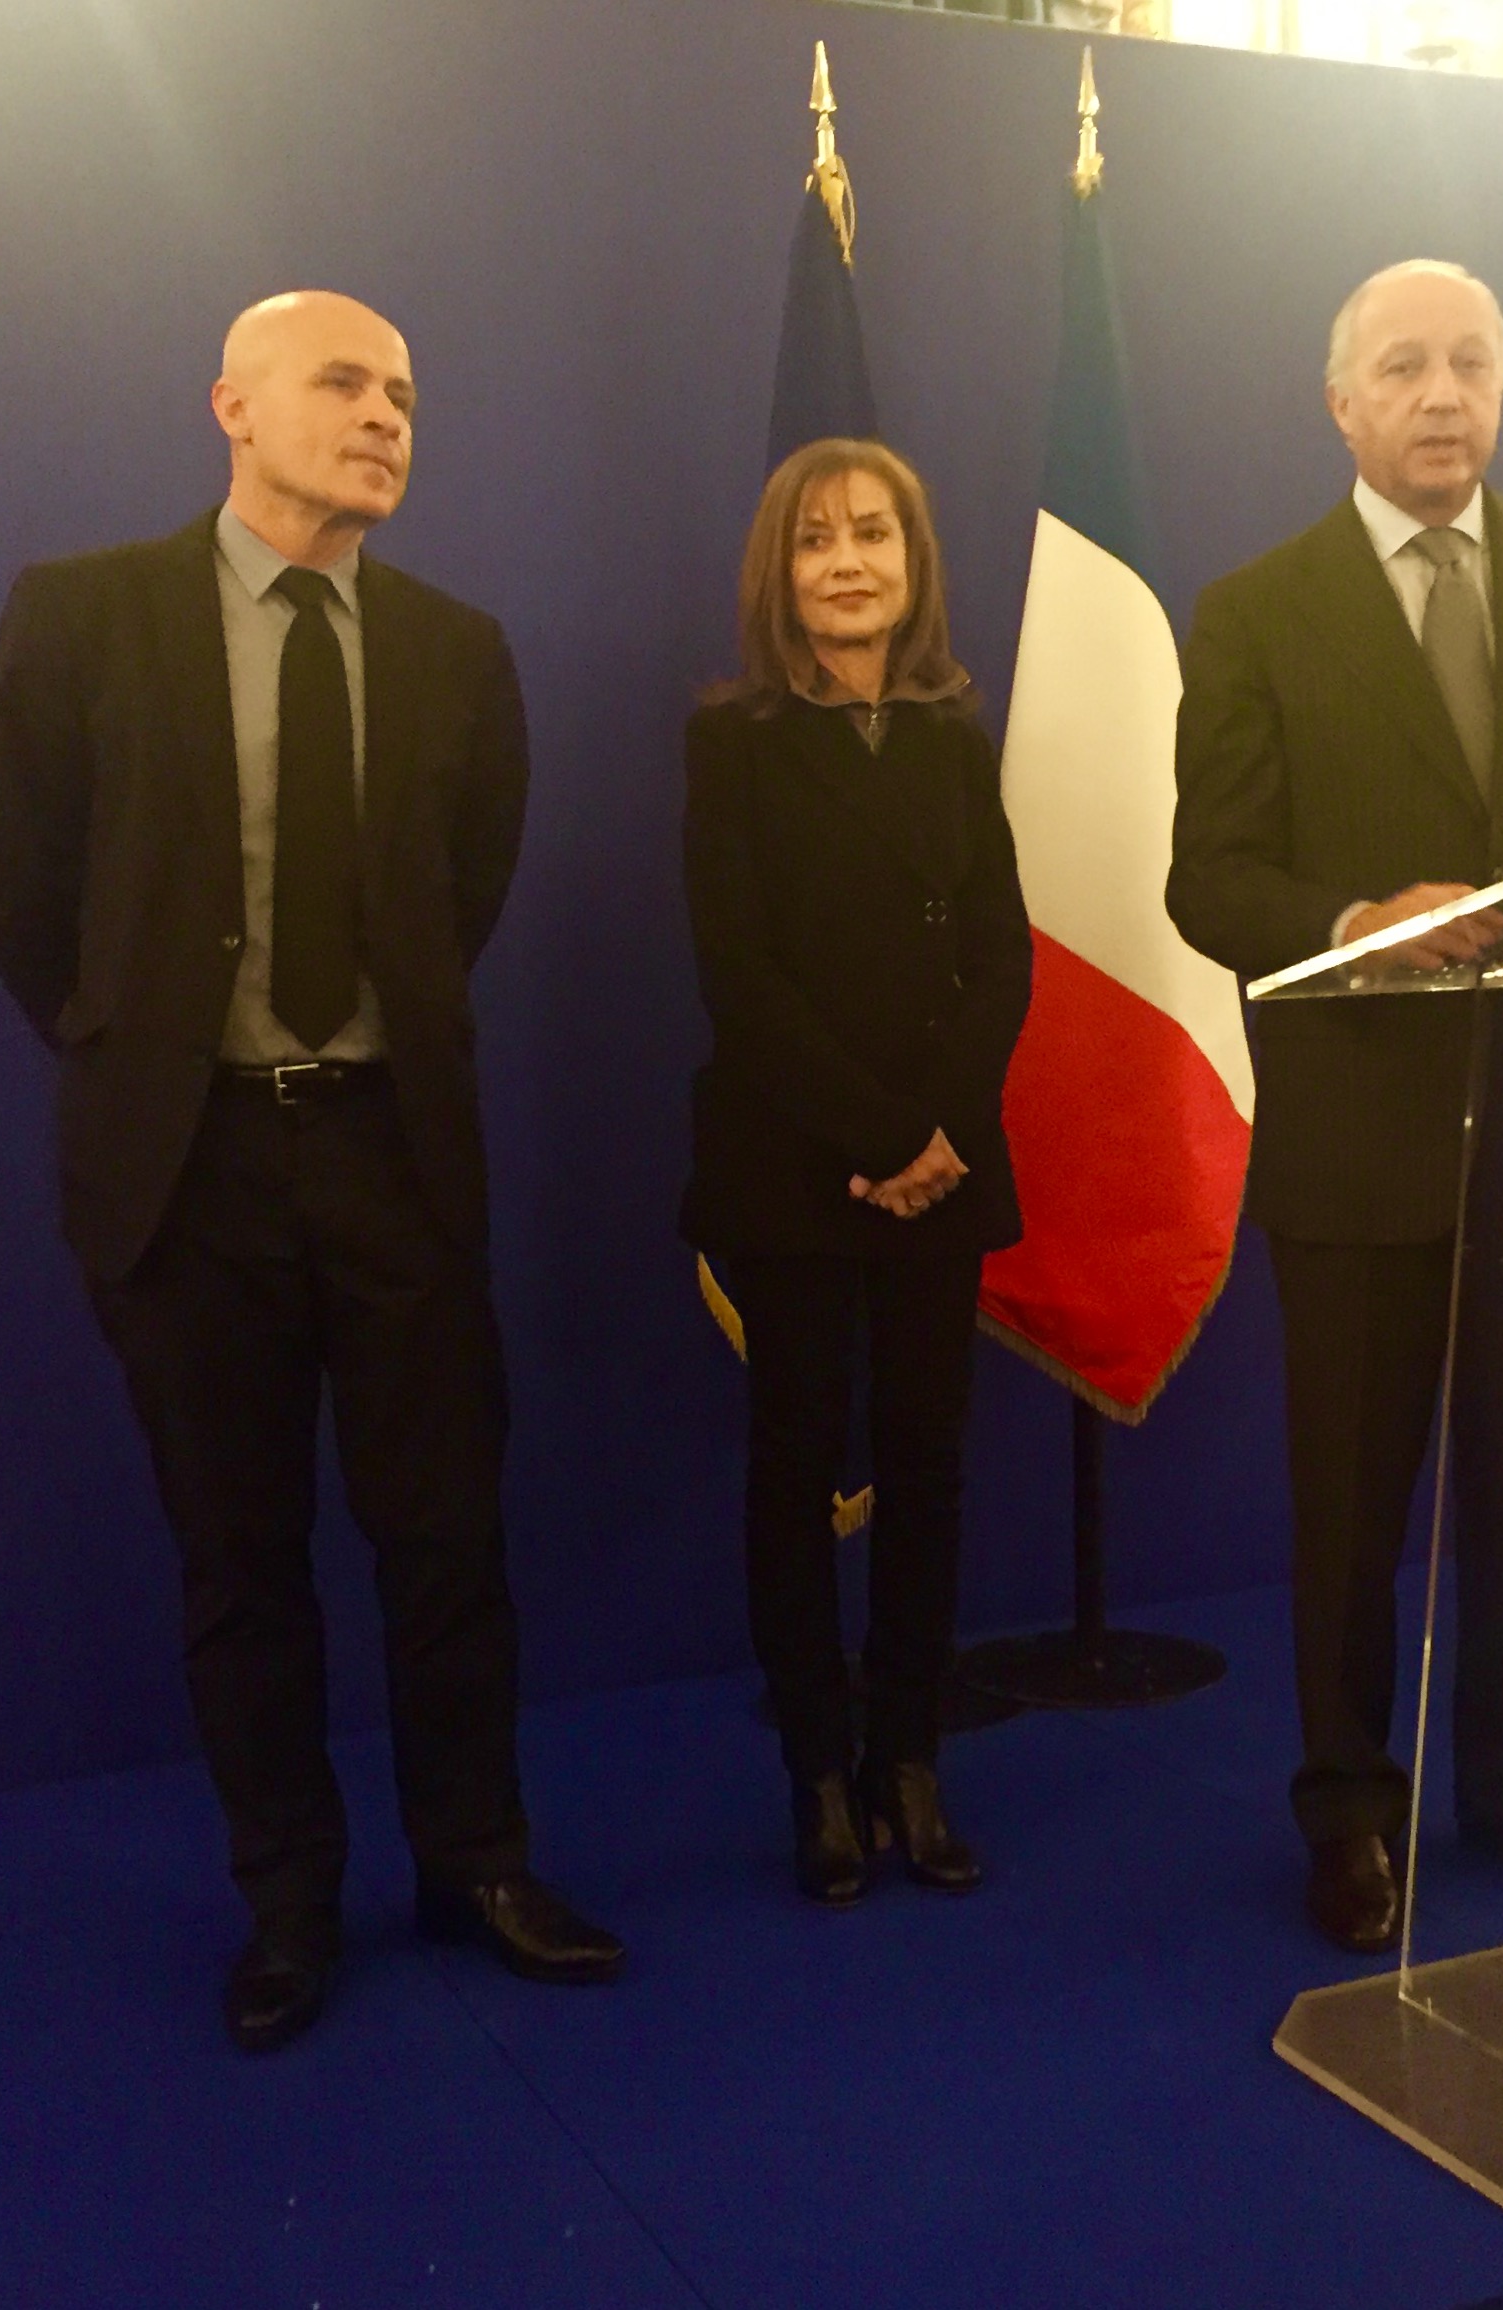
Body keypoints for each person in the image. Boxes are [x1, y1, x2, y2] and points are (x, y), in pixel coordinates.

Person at [0, 290, 622, 2052]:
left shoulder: (455, 647)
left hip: (396, 1152)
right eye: (344, 383)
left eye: (405, 391)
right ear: (232, 408)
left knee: (448, 1542)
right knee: (241, 1560)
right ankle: (292, 1899)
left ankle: (475, 1859)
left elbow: (459, 896)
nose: (385, 416)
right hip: (190, 1173)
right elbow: (13, 882)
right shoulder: (88, 614)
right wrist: (132, 1044)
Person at [1166, 260, 1503, 1953]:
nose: (1442, 393)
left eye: (1472, 361)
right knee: (1354, 1502)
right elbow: (1208, 877)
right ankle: (1348, 1813)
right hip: (1364, 1133)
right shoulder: (1254, 607)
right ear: (1343, 403)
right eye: (1405, 366)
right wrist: (1346, 925)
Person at [680, 438, 1031, 1906]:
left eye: (873, 535)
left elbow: (1003, 949)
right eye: (817, 539)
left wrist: (940, 1130)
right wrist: (879, 1139)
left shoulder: (954, 726)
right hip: (796, 1169)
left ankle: (910, 1760)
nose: (847, 562)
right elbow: (740, 975)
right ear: (781, 570)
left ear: (913, 561)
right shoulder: (733, 739)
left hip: (943, 1168)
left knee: (933, 1471)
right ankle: (820, 1776)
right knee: (795, 1467)